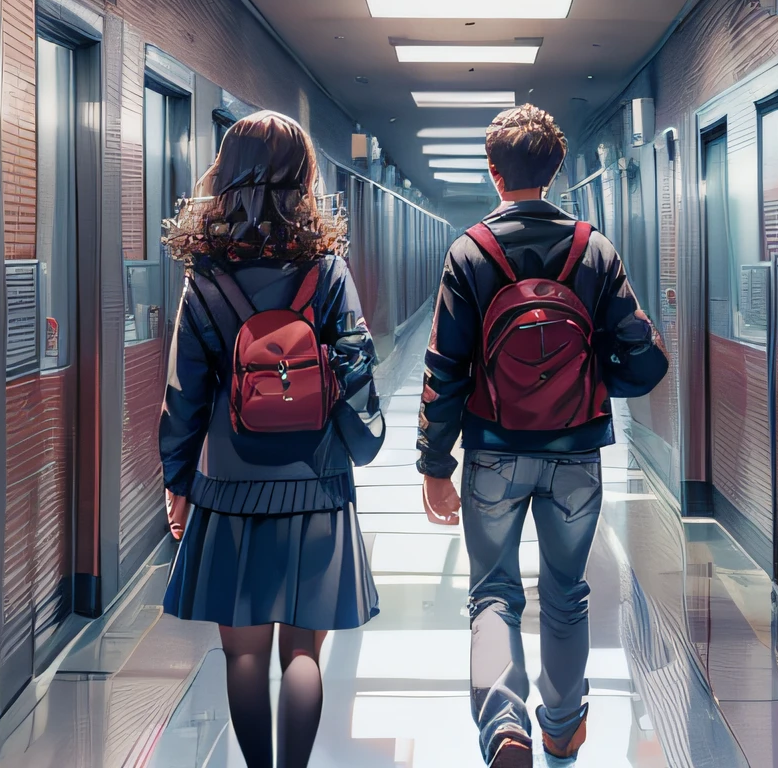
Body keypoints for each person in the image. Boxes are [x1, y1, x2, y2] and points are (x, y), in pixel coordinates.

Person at [417, 103, 670, 768]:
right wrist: (591, 379)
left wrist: (433, 463)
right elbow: (645, 363)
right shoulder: (596, 250)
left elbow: (444, 368)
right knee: (566, 592)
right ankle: (561, 725)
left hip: (493, 452)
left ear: (494, 173)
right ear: (556, 171)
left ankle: (504, 721)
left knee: (493, 593)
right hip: (576, 454)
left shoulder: (469, 251)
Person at [158, 110, 384, 768]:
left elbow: (184, 396)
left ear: (227, 175)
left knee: (246, 653)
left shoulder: (205, 278)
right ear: (303, 179)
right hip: (317, 483)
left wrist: (179, 482)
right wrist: (364, 436)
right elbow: (356, 364)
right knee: (303, 654)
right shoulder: (328, 270)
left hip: (230, 486)